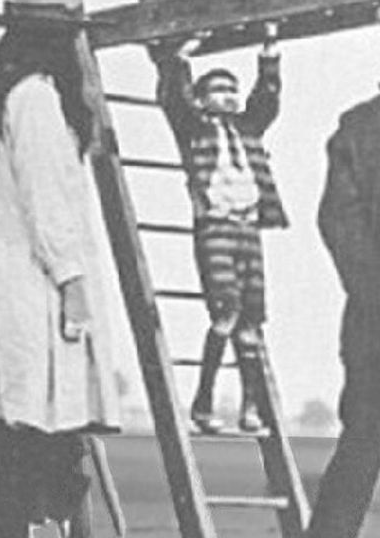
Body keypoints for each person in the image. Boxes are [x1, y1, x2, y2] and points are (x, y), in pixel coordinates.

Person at [0, 0, 120, 538]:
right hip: (35, 273)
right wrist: (72, 280)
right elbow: (47, 200)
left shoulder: (2, 97)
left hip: (6, 268)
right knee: (38, 424)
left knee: (19, 424)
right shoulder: (37, 99)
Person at [155, 26, 287, 435]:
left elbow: (265, 100)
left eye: (233, 89)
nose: (229, 96)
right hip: (216, 225)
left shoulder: (247, 129)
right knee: (225, 313)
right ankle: (203, 403)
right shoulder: (195, 129)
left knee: (251, 320)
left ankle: (251, 407)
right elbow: (175, 100)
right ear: (201, 97)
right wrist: (180, 60)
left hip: (248, 226)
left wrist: (268, 52)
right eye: (218, 89)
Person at [305, 85, 380, 538]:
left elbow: (337, 219)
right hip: (375, 324)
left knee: (361, 445)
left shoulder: (358, 127)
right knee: (363, 443)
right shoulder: (361, 129)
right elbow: (338, 219)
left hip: (372, 321)